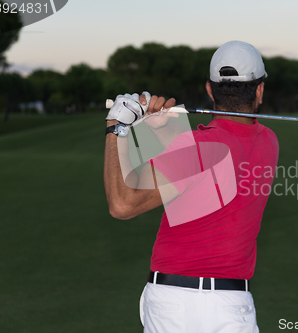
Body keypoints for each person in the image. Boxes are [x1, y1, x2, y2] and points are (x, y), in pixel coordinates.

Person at [103, 40, 279, 333]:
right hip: (232, 307)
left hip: (173, 306)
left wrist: (117, 127)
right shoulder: (269, 142)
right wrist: (162, 131)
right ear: (259, 90)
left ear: (210, 90)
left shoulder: (196, 148)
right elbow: (201, 173)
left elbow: (122, 205)